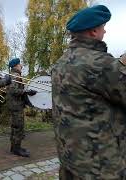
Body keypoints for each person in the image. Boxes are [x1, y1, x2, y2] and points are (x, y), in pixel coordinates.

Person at [52, 5, 126, 179]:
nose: (105, 31)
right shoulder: (101, 64)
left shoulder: (60, 63)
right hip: (101, 165)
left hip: (71, 158)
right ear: (93, 31)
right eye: (102, 27)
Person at [6, 58, 36, 157]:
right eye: (20, 64)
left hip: (16, 105)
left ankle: (15, 147)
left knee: (16, 127)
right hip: (16, 105)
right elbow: (13, 90)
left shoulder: (15, 75)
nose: (21, 66)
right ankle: (16, 149)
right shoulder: (15, 76)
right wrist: (26, 92)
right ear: (16, 66)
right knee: (18, 127)